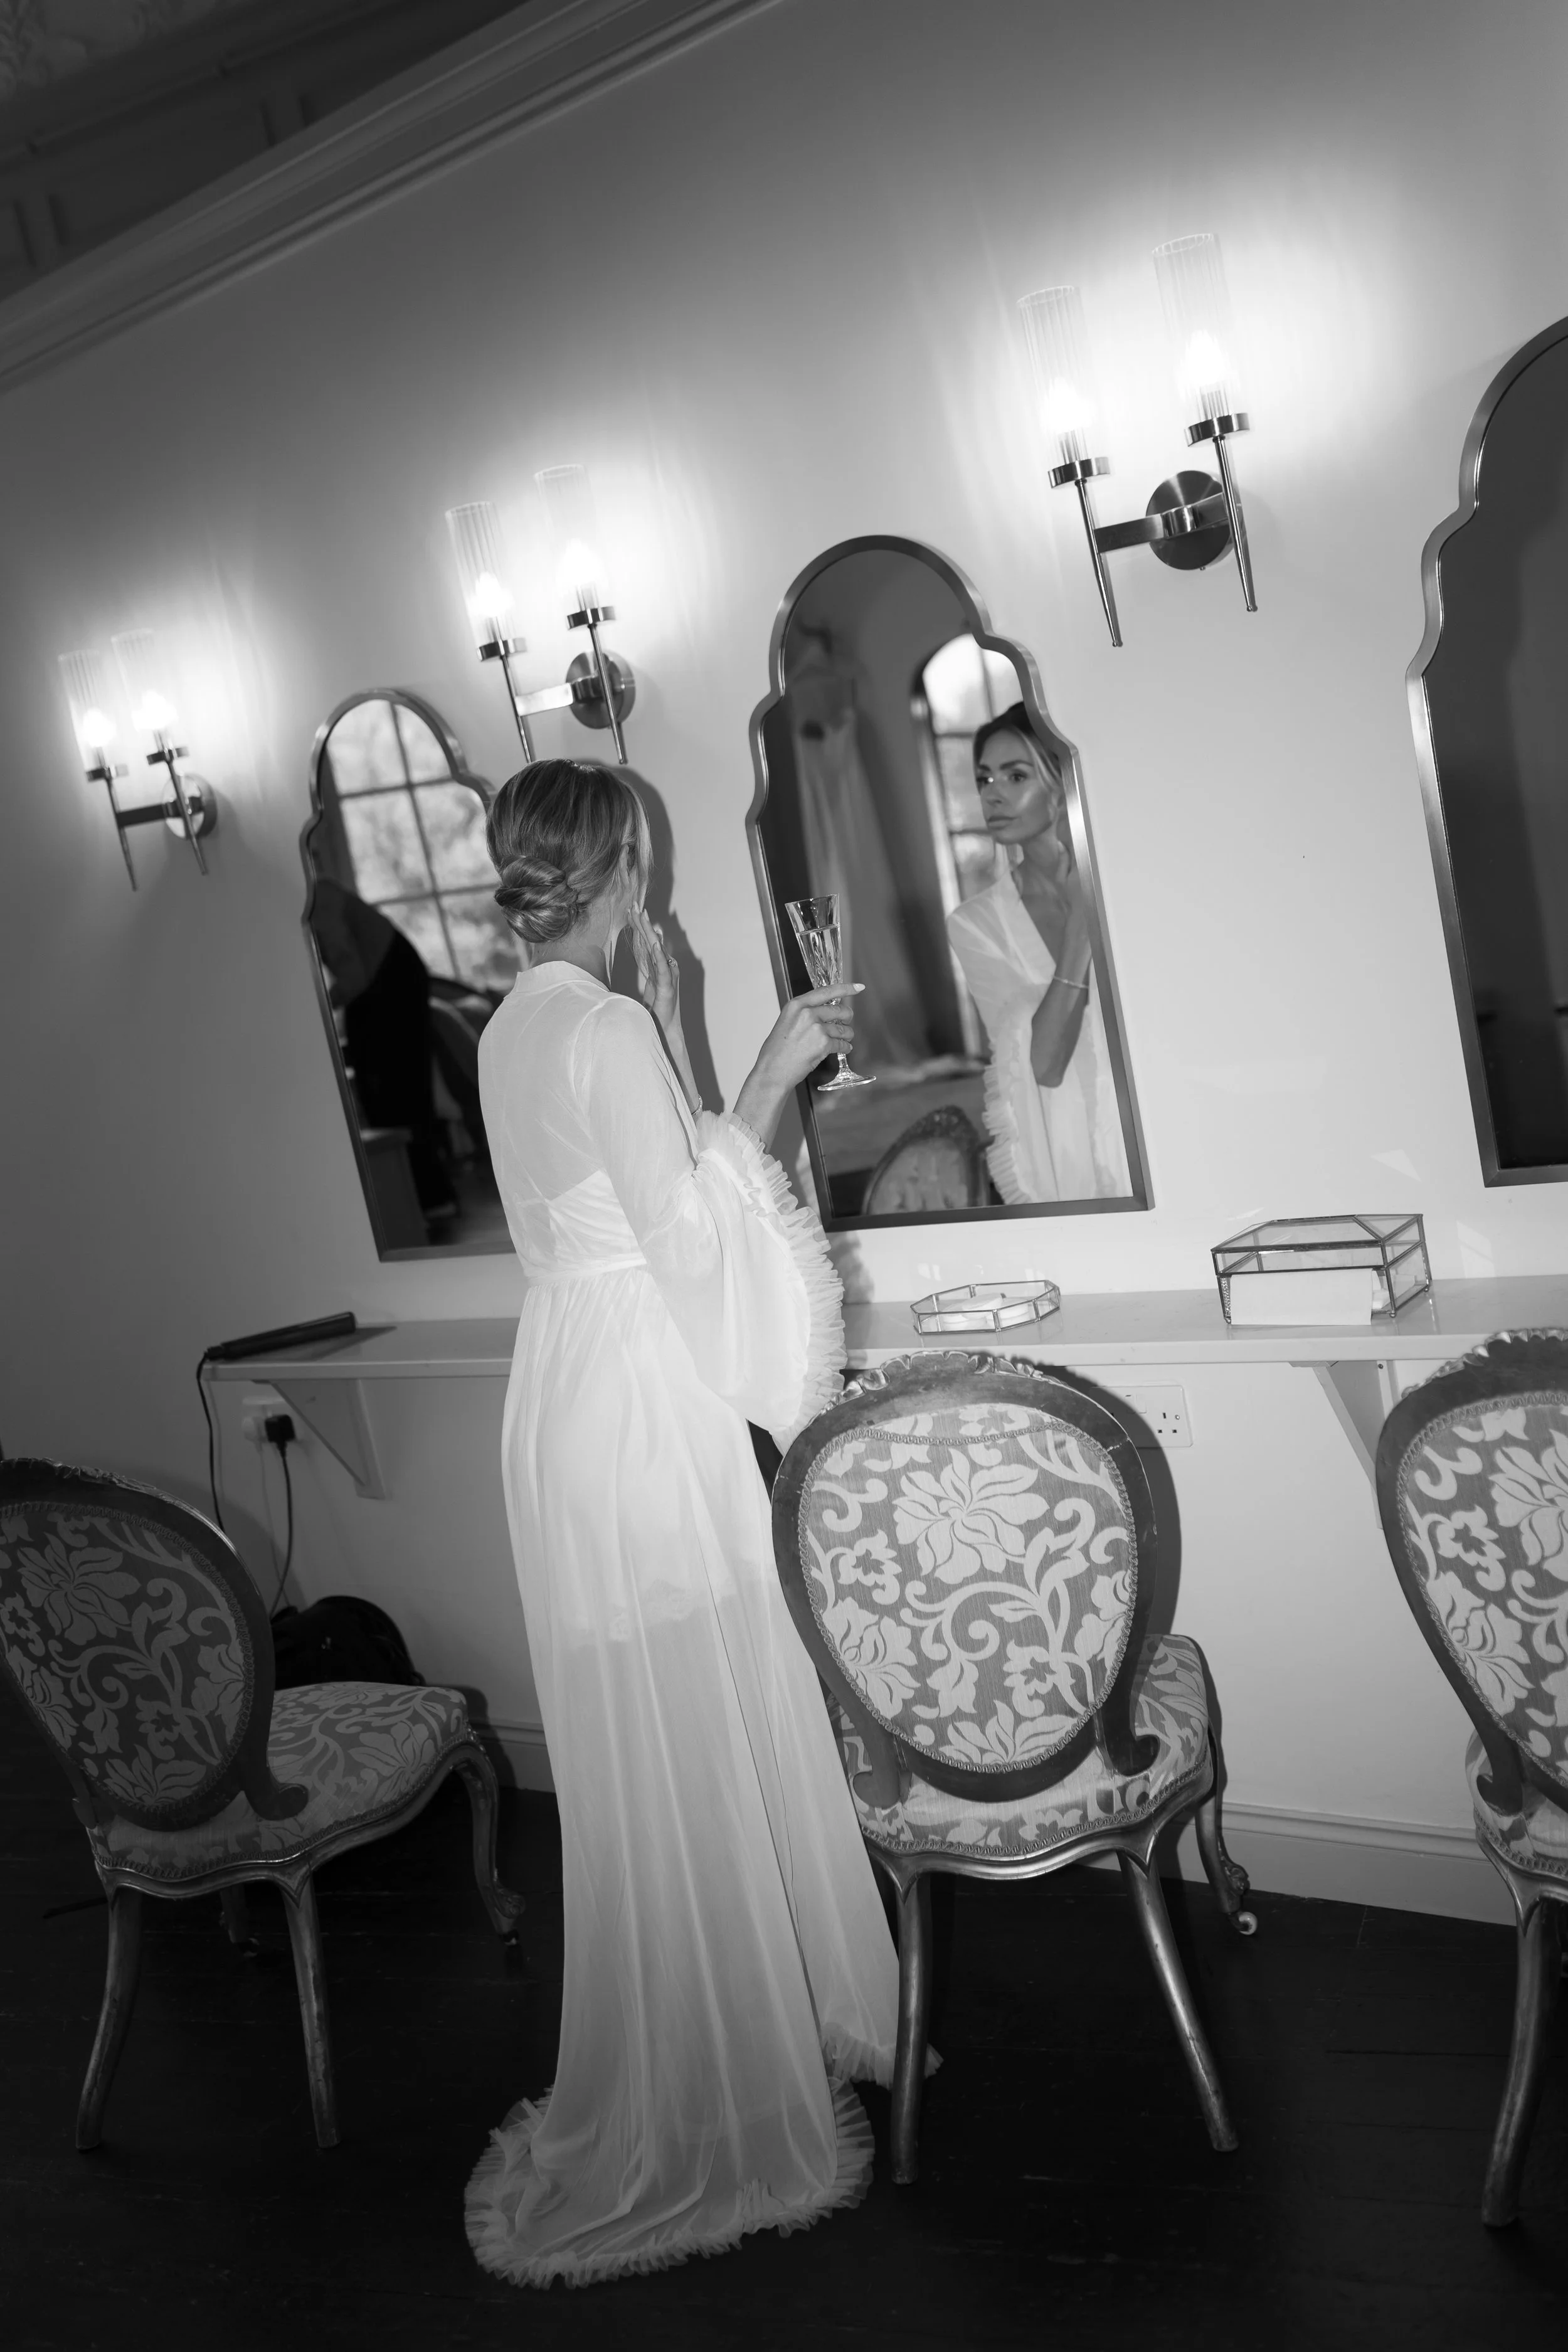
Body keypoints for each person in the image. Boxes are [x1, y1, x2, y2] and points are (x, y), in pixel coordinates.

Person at [467, 758, 903, 2287]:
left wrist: (696, 1041)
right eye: (643, 857)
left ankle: (708, 2036)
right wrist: (778, 1065)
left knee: (648, 1722)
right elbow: (689, 1237)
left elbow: (620, 1214)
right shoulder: (608, 1023)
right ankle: (725, 2088)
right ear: (617, 868)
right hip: (642, 1396)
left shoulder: (517, 1025)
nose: (652, 880)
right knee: (700, 1702)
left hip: (561, 1393)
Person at [946, 706, 1131, 1203]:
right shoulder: (977, 924)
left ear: (1060, 783)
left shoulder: (1128, 884)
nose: (992, 793)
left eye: (1016, 775)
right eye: (985, 778)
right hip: (1070, 1165)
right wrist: (1079, 924)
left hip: (1156, 1129)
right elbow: (1044, 1066)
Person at [307, 876, 457, 1222]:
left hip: (390, 983)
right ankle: (425, 1200)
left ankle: (426, 1201)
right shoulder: (314, 895)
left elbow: (353, 975)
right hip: (386, 980)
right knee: (394, 1096)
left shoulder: (315, 898)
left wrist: (322, 1004)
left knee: (396, 1096)